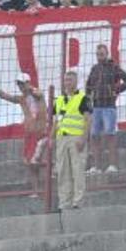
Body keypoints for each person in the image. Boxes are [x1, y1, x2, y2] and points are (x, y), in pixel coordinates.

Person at [0, 73, 48, 196]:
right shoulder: (22, 99)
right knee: (29, 163)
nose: (20, 87)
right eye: (19, 85)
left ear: (28, 83)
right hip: (30, 134)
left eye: (22, 84)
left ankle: (47, 187)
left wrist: (30, 88)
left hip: (41, 133)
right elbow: (7, 97)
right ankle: (36, 190)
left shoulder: (37, 94)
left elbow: (39, 94)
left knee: (41, 161)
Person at [83, 44, 126, 173]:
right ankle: (96, 166)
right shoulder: (94, 69)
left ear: (107, 54)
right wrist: (88, 102)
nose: (99, 56)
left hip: (109, 106)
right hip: (96, 106)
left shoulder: (113, 67)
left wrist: (115, 89)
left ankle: (112, 165)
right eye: (97, 54)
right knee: (94, 136)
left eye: (101, 54)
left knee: (110, 135)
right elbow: (88, 87)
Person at [52, 70, 92, 211]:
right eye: (65, 80)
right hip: (61, 138)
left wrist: (83, 138)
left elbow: (88, 120)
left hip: (76, 138)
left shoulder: (83, 98)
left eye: (70, 80)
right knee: (63, 171)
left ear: (76, 82)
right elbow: (56, 121)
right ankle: (64, 203)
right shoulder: (59, 100)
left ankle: (78, 202)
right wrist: (51, 138)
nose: (67, 83)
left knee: (77, 170)